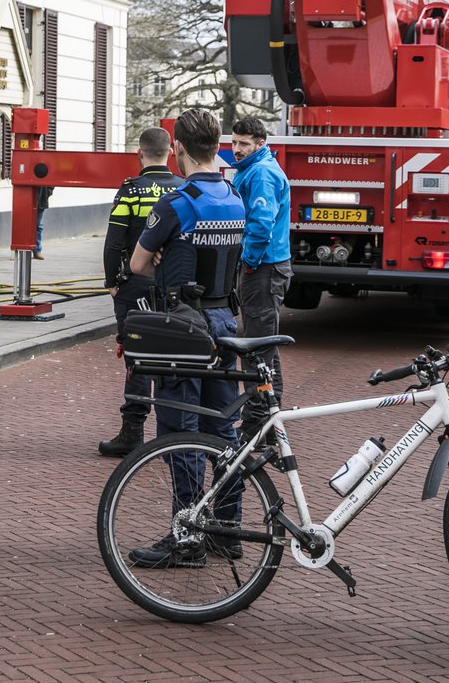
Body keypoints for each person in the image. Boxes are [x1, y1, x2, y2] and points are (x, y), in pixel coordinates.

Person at [126, 108, 247, 568]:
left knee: (181, 432)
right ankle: (227, 528)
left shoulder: (178, 202)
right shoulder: (234, 197)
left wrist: (162, 258)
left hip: (183, 329)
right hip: (223, 322)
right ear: (217, 147)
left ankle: (187, 535)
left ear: (176, 149)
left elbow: (138, 264)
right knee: (223, 429)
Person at [98, 127, 183, 457]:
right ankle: (172, 432)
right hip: (172, 285)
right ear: (170, 153)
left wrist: (112, 282)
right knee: (174, 358)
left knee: (136, 357)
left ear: (140, 153)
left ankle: (132, 432)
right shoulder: (181, 189)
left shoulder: (131, 191)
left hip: (134, 287)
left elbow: (114, 241)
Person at [229, 116, 293, 424]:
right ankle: (268, 417)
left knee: (257, 350)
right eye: (234, 142)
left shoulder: (261, 174)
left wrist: (248, 262)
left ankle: (257, 422)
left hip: (263, 270)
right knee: (265, 344)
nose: (236, 149)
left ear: (260, 144)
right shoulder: (256, 169)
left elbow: (260, 226)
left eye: (243, 144)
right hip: (268, 268)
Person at [34, 184, 54, 259]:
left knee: (39, 226)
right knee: (26, 224)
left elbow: (52, 181)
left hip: (41, 198)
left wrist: (48, 193)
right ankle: (24, 249)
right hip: (28, 197)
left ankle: (37, 250)